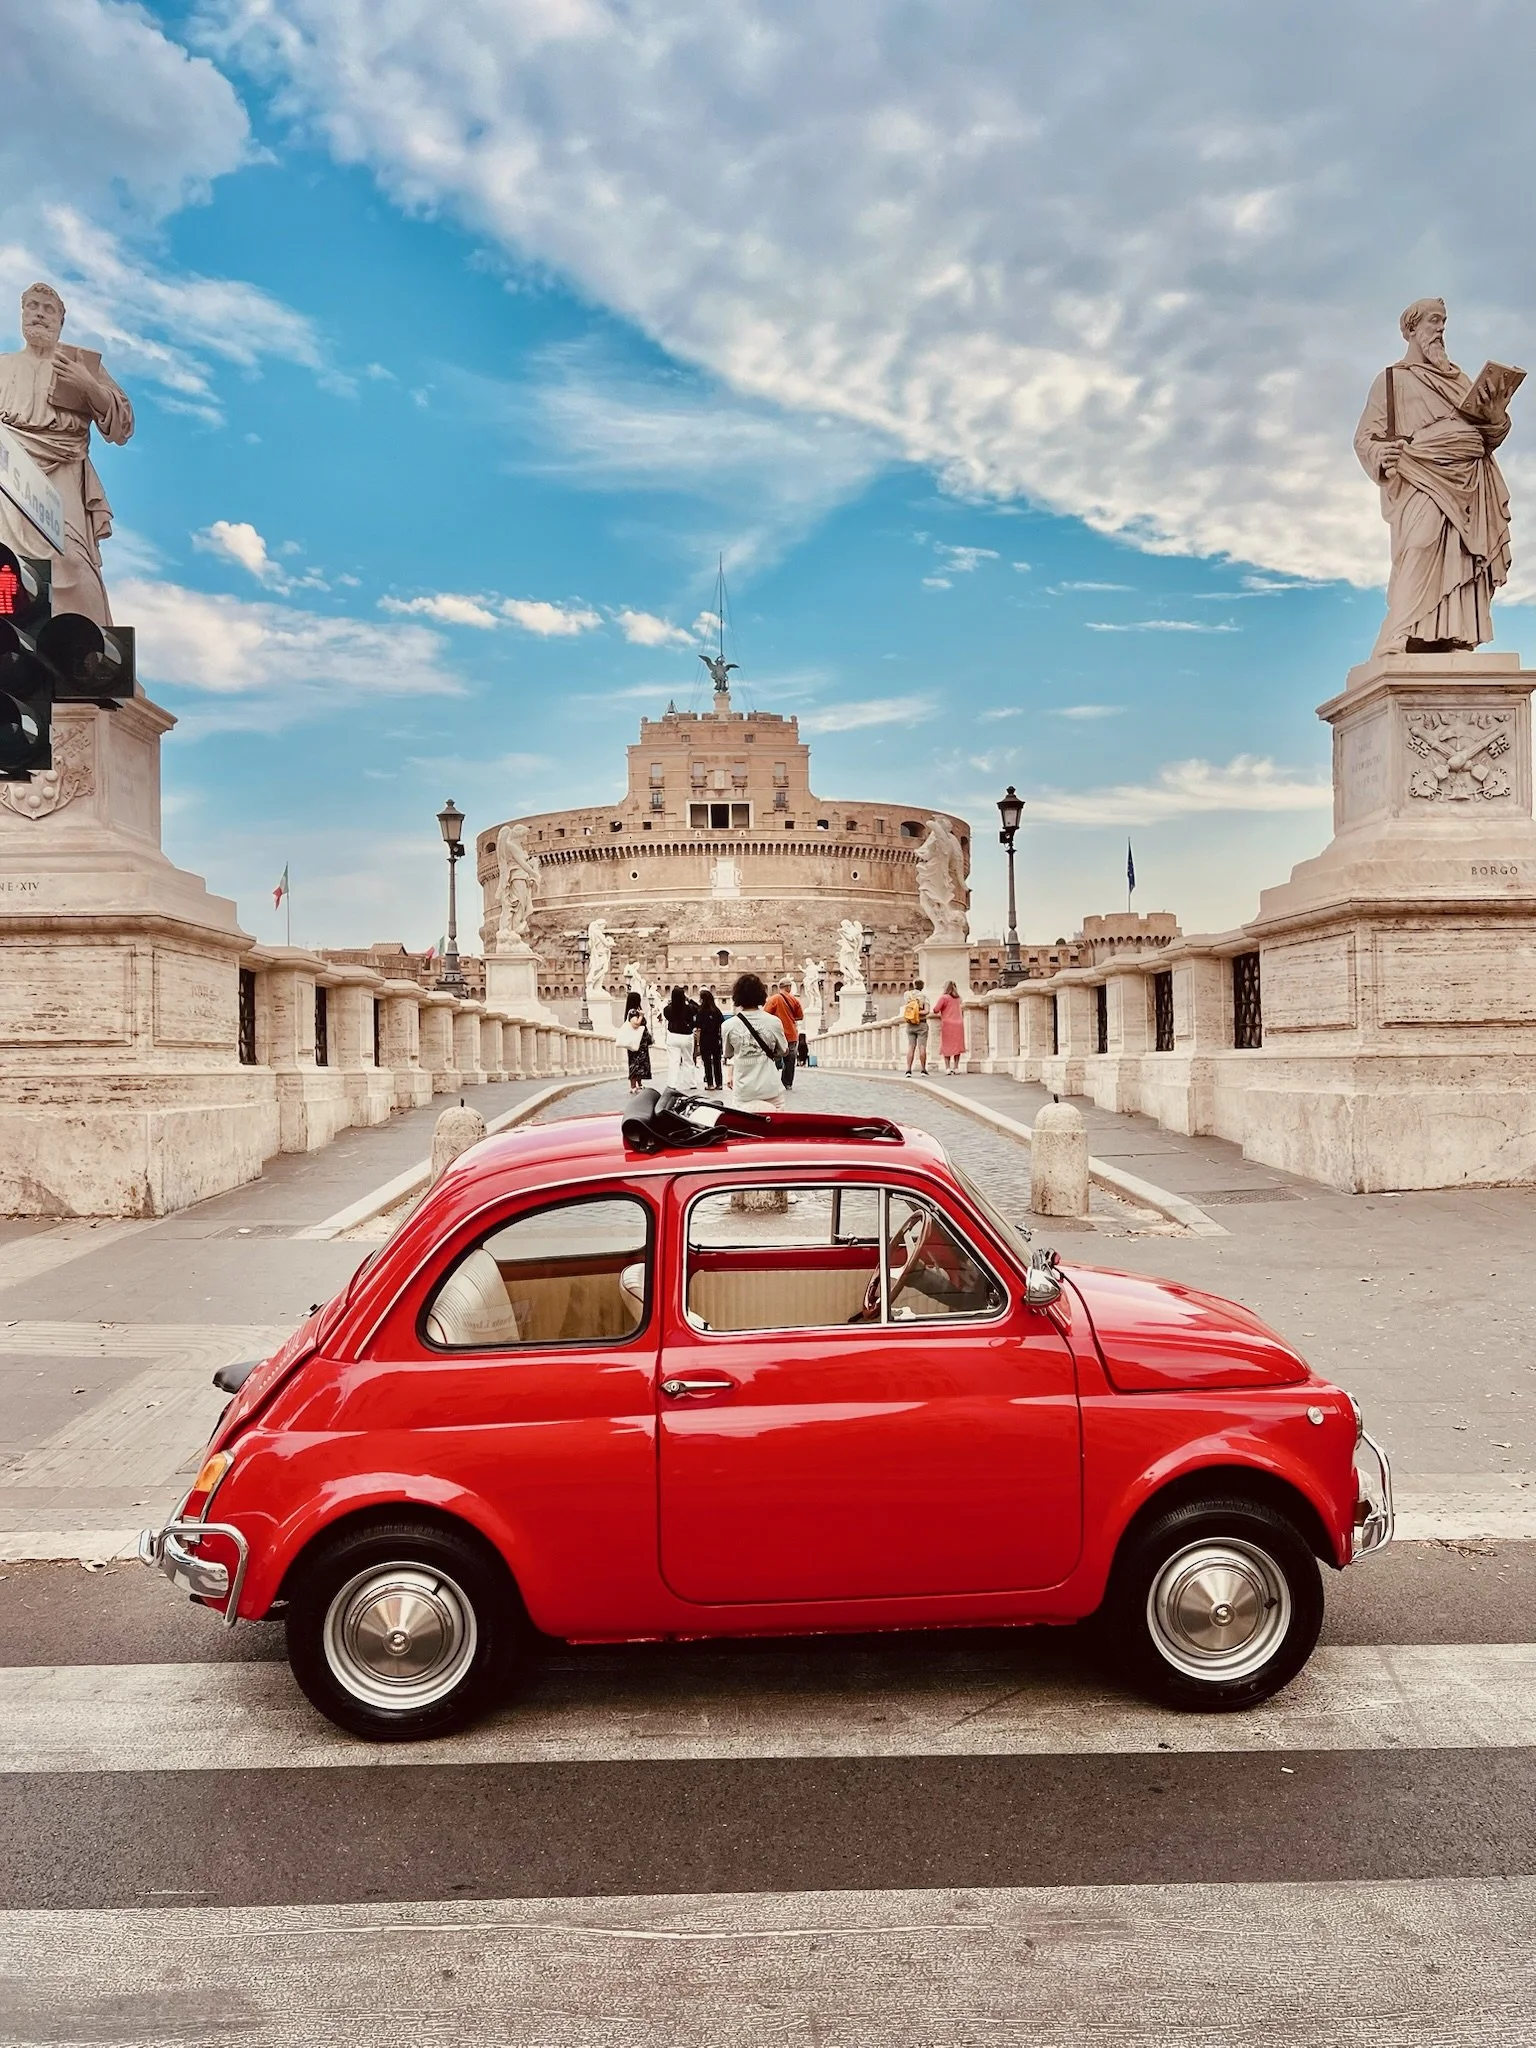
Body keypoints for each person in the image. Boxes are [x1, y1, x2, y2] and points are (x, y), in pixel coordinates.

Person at [722, 972, 787, 1112]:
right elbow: (784, 1050)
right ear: (761, 995)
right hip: (770, 1088)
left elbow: (728, 1053)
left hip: (744, 1090)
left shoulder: (728, 1025)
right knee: (775, 1130)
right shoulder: (773, 1022)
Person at [764, 977, 804, 1091]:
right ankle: (787, 1083)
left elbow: (765, 1014)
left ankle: (770, 1080)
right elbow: (800, 1016)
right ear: (788, 987)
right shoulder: (794, 1000)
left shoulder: (773, 999)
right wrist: (790, 1017)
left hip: (775, 1034)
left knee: (772, 1058)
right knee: (790, 1060)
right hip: (791, 1034)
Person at [662, 984, 699, 1088]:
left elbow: (666, 1013)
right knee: (688, 1060)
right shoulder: (689, 1008)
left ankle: (672, 1083)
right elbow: (698, 1008)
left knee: (674, 1061)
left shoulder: (668, 1009)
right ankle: (692, 1083)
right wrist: (689, 999)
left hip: (673, 1036)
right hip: (686, 1036)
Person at [614, 992, 652, 1094]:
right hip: (637, 1044)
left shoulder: (634, 1011)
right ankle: (633, 1085)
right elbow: (635, 1025)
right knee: (635, 1063)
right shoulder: (633, 1012)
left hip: (640, 1043)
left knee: (640, 1063)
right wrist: (641, 1016)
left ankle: (639, 1084)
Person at [931, 980, 966, 1074]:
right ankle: (956, 1067)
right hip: (959, 1024)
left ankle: (947, 1068)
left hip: (947, 1024)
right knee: (957, 1046)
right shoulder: (959, 998)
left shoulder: (944, 998)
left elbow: (935, 1010)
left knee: (947, 1046)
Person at [694, 988, 725, 1093]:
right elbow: (722, 1024)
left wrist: (698, 1043)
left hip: (705, 1039)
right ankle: (719, 1083)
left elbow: (698, 1028)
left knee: (707, 1062)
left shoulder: (701, 1011)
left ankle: (710, 1084)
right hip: (716, 1039)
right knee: (717, 1062)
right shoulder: (717, 1011)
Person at [900, 979, 930, 1075]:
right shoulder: (924, 997)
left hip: (910, 1024)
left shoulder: (907, 995)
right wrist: (918, 1012)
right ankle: (923, 1070)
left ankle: (908, 1070)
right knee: (922, 1047)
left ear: (914, 985)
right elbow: (927, 1011)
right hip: (921, 1023)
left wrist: (913, 1013)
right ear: (922, 986)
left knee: (911, 1047)